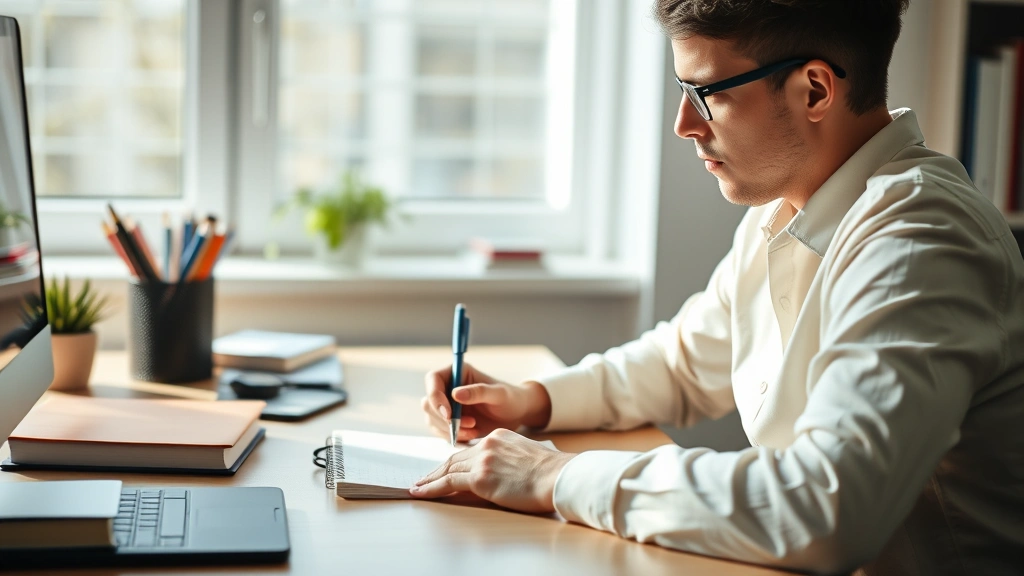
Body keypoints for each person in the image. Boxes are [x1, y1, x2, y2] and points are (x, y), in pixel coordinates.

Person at [412, 1, 1024, 574]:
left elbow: (825, 508)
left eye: (704, 94)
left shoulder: (920, 238)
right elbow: (684, 363)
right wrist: (532, 399)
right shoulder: (785, 208)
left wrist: (557, 478)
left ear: (815, 89)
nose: (683, 124)